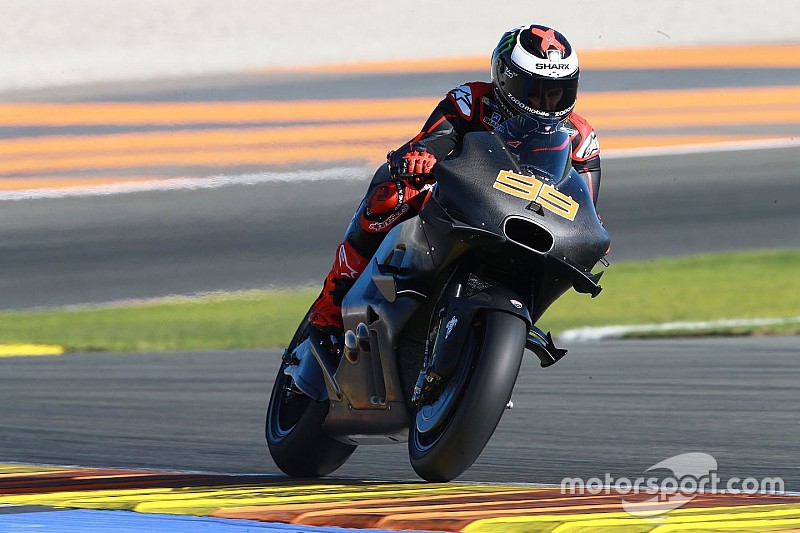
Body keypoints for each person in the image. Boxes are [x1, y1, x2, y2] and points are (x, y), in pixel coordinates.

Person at [308, 24, 602, 336]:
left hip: (528, 220)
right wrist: (420, 157)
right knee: (391, 195)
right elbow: (430, 141)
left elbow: (586, 203)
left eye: (556, 93)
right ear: (505, 78)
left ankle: (512, 321)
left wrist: (591, 230)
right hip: (460, 203)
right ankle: (333, 297)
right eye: (534, 91)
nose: (545, 104)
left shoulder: (580, 137)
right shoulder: (471, 100)